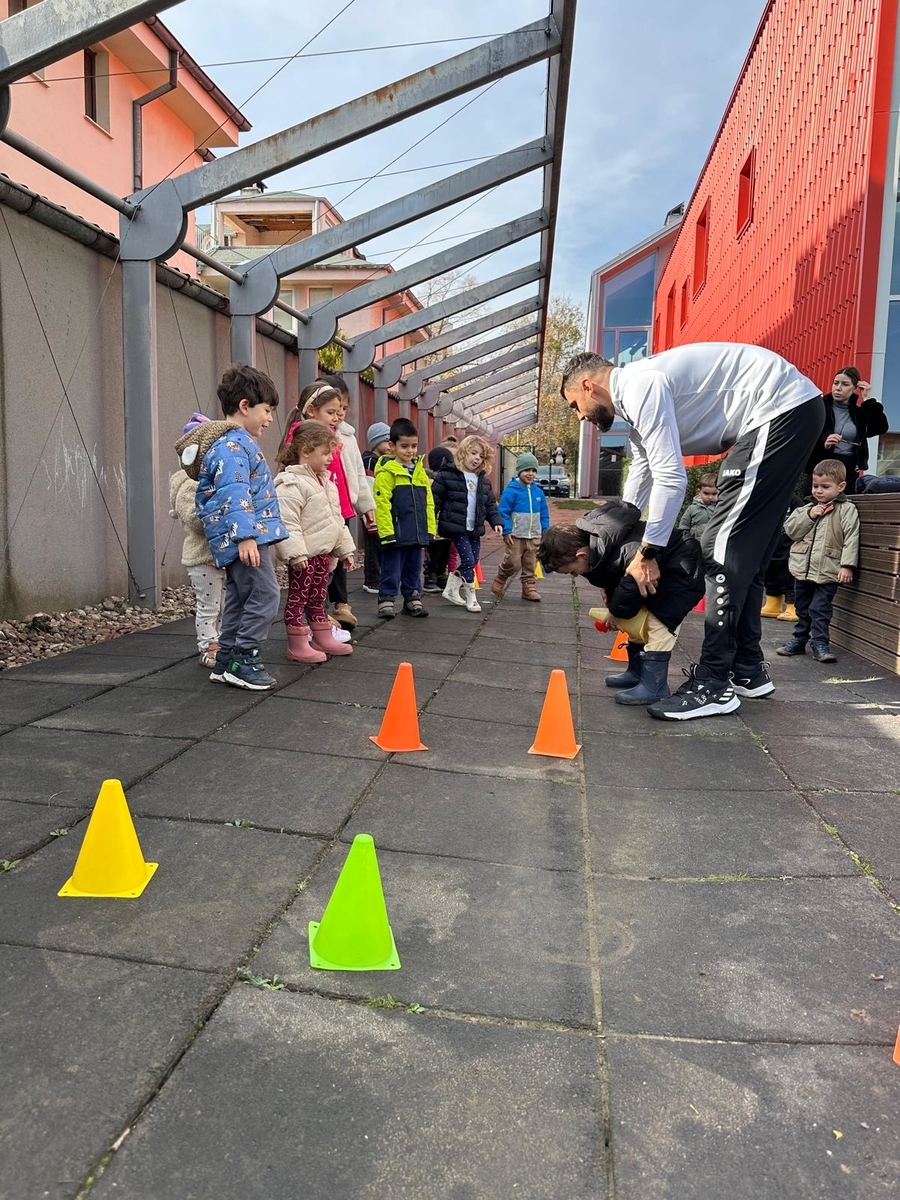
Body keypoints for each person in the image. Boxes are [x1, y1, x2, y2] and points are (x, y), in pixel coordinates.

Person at [561, 344, 825, 720]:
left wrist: (648, 553)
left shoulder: (639, 385)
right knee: (746, 558)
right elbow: (642, 475)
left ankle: (713, 684)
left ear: (589, 386)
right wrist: (617, 541)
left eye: (575, 406)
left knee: (718, 549)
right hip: (794, 410)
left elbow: (671, 478)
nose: (580, 417)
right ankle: (747, 669)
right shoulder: (636, 406)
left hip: (779, 409)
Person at [175, 363, 287, 690]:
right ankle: (245, 659)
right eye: (267, 410)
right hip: (245, 537)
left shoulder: (230, 443)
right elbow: (234, 493)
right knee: (265, 595)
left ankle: (225, 659)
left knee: (239, 597)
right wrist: (246, 536)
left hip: (238, 537)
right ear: (245, 406)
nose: (270, 418)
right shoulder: (233, 446)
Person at [537, 500, 704, 704]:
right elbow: (612, 574)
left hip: (681, 571)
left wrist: (615, 613)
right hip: (656, 570)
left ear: (581, 554)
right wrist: (610, 595)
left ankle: (655, 686)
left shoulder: (623, 551)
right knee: (636, 621)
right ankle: (637, 672)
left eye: (572, 571)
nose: (574, 575)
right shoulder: (597, 546)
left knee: (660, 623)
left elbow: (630, 585)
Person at [282, 374, 375, 631]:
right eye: (332, 411)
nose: (338, 416)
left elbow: (355, 473)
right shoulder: (305, 437)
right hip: (315, 510)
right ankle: (310, 621)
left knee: (327, 566)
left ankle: (321, 616)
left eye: (341, 409)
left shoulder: (339, 436)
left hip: (336, 507)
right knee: (310, 571)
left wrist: (365, 506)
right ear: (312, 411)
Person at [273, 420, 355, 661]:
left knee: (318, 597)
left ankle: (321, 635)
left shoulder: (326, 483)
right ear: (306, 451)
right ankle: (296, 643)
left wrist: (345, 550)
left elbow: (336, 520)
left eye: (332, 452)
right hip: (305, 557)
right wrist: (296, 554)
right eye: (326, 453)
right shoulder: (291, 483)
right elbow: (287, 522)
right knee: (298, 598)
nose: (330, 458)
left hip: (323, 555)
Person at [776, 459, 860, 664]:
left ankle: (820, 643)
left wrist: (847, 565)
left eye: (825, 487)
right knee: (802, 607)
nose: (819, 491)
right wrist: (809, 516)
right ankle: (799, 639)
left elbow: (851, 537)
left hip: (829, 569)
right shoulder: (805, 508)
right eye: (815, 486)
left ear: (840, 486)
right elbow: (791, 531)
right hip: (802, 568)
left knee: (820, 610)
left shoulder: (846, 509)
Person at [169, 412, 225, 669]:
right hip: (203, 556)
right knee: (209, 606)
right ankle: (208, 646)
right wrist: (222, 509)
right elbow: (195, 520)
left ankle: (223, 643)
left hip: (223, 555)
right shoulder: (187, 485)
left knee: (226, 605)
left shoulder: (216, 479)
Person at [372, 417, 436, 619]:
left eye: (414, 446)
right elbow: (382, 504)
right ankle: (386, 599)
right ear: (392, 446)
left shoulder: (420, 473)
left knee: (413, 567)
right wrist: (386, 532)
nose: (410, 451)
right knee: (391, 568)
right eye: (405, 446)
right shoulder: (387, 473)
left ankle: (412, 598)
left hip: (416, 532)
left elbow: (429, 503)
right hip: (396, 532)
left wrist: (430, 529)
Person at [431, 434, 502, 613]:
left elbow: (490, 505)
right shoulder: (447, 475)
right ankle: (472, 598)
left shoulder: (483, 481)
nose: (477, 458)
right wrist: (429, 522)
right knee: (468, 560)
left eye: (481, 456)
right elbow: (435, 500)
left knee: (473, 560)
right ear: (463, 452)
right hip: (457, 526)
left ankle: (450, 589)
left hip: (474, 528)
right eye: (473, 453)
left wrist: (496, 521)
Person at [804, 367, 888, 494]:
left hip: (847, 472)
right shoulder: (819, 408)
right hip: (821, 469)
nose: (838, 388)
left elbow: (879, 428)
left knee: (845, 505)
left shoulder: (858, 413)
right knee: (816, 505)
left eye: (845, 384)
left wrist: (867, 400)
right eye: (836, 383)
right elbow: (805, 438)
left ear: (855, 388)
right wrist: (824, 443)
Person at [491, 451, 550, 601]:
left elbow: (544, 513)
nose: (530, 474)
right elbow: (503, 512)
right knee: (513, 562)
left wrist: (546, 530)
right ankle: (502, 576)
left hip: (534, 535)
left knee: (531, 563)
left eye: (533, 471)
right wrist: (507, 530)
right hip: (516, 535)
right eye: (526, 470)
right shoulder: (511, 491)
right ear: (519, 471)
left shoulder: (538, 492)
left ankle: (529, 587)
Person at [760, 493, 802, 622]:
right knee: (770, 576)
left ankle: (792, 606)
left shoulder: (793, 501)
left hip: (788, 548)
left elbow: (802, 521)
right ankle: (772, 603)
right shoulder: (766, 498)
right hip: (769, 547)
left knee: (788, 579)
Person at [361, 422, 392, 595]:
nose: (390, 445)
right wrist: (369, 512)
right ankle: (372, 580)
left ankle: (377, 578)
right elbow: (368, 486)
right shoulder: (370, 461)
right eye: (386, 441)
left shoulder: (380, 461)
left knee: (380, 545)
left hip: (380, 508)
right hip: (373, 510)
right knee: (374, 546)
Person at [422, 446, 454, 592]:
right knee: (433, 552)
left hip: (446, 523)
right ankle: (430, 576)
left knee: (445, 552)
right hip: (433, 523)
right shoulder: (429, 481)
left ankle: (441, 574)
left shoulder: (449, 480)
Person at [677, 473, 718, 538]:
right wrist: (686, 540)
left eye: (714, 494)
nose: (710, 497)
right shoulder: (692, 508)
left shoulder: (721, 507)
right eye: (706, 493)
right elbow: (684, 526)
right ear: (699, 492)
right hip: (696, 542)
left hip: (715, 541)